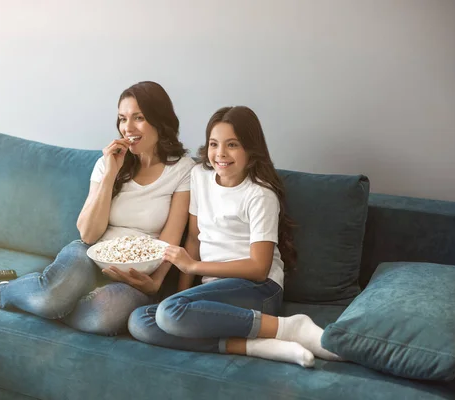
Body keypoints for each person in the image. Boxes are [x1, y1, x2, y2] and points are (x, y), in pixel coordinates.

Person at [0, 81, 196, 336]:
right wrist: (110, 175)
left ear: (160, 120)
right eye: (122, 119)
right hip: (90, 253)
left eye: (138, 118)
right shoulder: (107, 163)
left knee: (103, 318)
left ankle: (37, 297)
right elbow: (87, 234)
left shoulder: (182, 169)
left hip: (137, 272)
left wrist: (154, 283)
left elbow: (170, 240)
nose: (127, 128)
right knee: (51, 299)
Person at [128, 106, 342, 367]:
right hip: (213, 292)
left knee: (169, 313)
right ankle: (253, 346)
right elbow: (194, 239)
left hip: (258, 290)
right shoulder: (199, 177)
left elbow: (259, 268)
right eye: (214, 144)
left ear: (250, 150)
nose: (220, 154)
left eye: (232, 145)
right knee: (140, 321)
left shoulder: (260, 194)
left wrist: (193, 268)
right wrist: (182, 297)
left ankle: (290, 328)